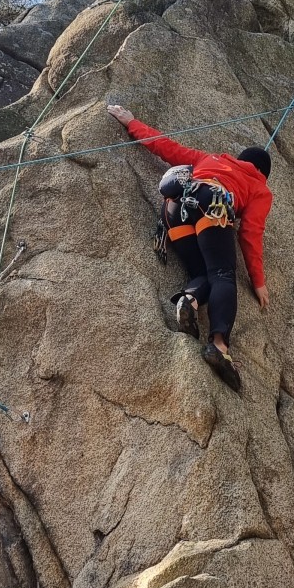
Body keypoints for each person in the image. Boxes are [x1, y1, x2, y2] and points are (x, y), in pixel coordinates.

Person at [108, 104, 272, 391]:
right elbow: (250, 232)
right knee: (222, 274)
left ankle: (190, 300)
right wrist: (257, 281)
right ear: (262, 172)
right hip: (212, 206)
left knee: (204, 273)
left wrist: (132, 122)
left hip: (175, 209)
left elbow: (167, 148)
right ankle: (219, 346)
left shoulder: (208, 159)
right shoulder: (260, 188)